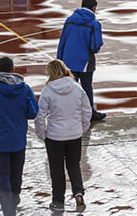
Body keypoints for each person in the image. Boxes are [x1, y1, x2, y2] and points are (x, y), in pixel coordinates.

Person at [0, 56, 38, 216]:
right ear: (14, 69)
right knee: (16, 176)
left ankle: (8, 210)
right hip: (18, 142)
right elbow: (33, 112)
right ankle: (14, 198)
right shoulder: (25, 89)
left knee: (2, 178)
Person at [34, 59, 89, 213]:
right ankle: (78, 192)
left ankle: (58, 200)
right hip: (74, 134)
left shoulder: (48, 90)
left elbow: (40, 116)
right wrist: (82, 128)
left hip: (55, 136)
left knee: (56, 169)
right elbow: (87, 110)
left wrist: (42, 133)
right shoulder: (76, 88)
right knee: (74, 165)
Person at [57, 0, 107, 122]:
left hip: (67, 60)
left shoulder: (69, 20)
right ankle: (89, 113)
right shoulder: (94, 23)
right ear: (94, 7)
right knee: (86, 87)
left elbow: (62, 41)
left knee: (68, 87)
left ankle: (67, 112)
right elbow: (95, 46)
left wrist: (60, 60)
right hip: (85, 61)